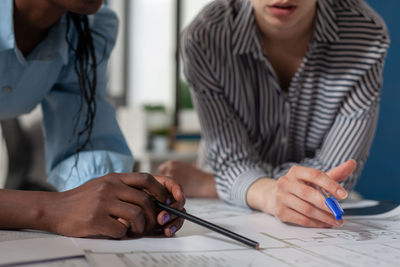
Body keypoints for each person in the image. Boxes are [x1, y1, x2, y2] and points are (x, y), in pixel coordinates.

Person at [162, 0, 390, 228]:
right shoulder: (204, 37)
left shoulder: (366, 33)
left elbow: (334, 177)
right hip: (226, 210)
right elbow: (230, 160)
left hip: (231, 193)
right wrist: (263, 190)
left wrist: (214, 183)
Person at [0, 0, 184, 238]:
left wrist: (128, 195)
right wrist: (53, 208)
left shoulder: (84, 30)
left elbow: (84, 146)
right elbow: (64, 207)